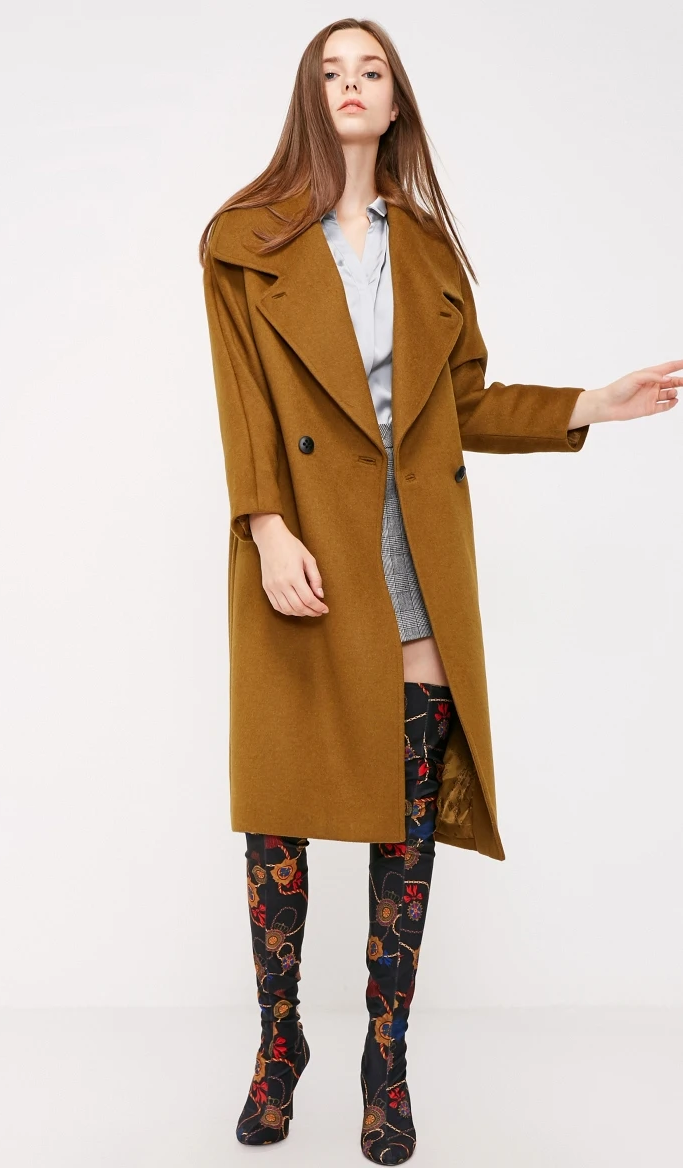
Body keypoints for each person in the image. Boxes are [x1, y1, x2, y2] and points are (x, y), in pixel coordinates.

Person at [199, 18, 680, 1165]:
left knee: (404, 833)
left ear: (395, 102)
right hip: (302, 555)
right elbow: (244, 403)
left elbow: (460, 405)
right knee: (277, 816)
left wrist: (590, 404)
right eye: (331, 71)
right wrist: (266, 527)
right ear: (308, 98)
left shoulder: (424, 249)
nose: (350, 85)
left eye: (369, 70)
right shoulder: (242, 240)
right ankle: (278, 1042)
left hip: (411, 559)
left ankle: (387, 1060)